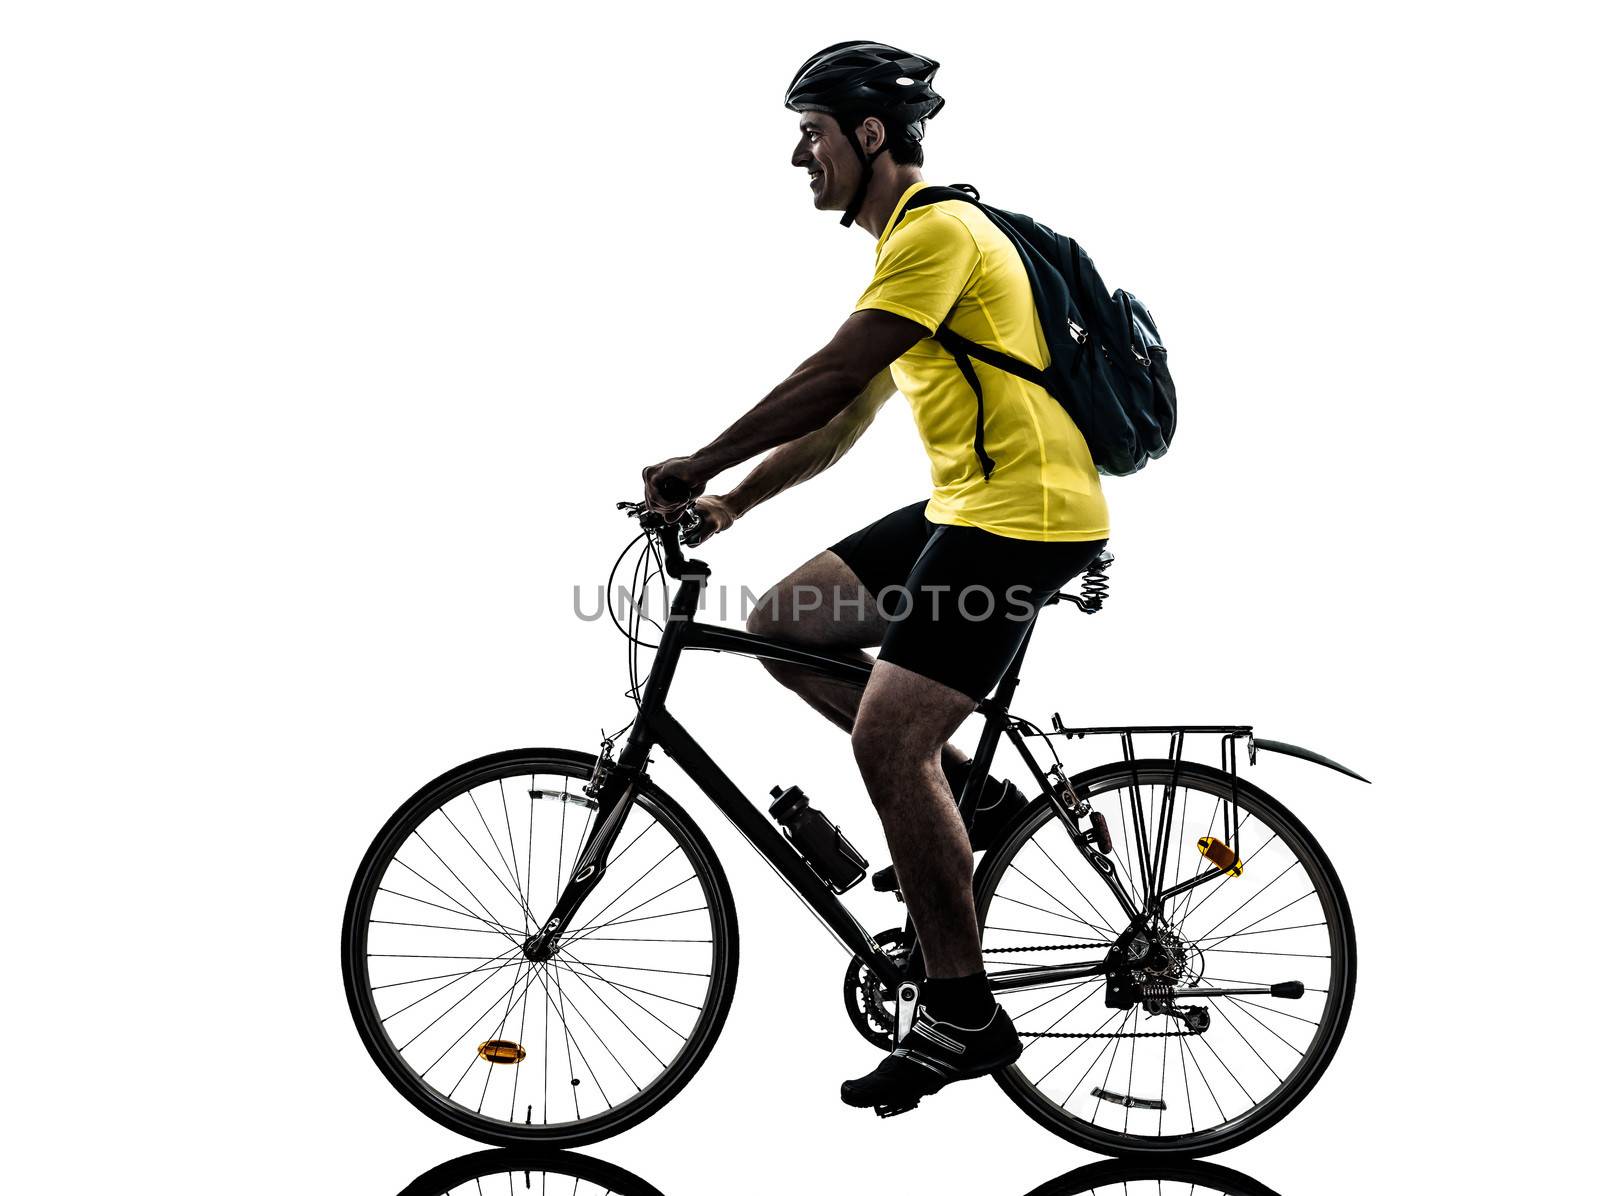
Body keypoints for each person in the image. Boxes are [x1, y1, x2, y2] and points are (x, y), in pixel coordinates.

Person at [641, 40, 1109, 1115]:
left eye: (810, 132)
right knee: (787, 623)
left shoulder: (936, 232)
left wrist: (696, 458)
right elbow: (850, 416)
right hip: (971, 505)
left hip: (1024, 513)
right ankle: (975, 798)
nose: (797, 155)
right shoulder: (909, 248)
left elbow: (832, 374)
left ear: (865, 134)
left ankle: (960, 1014)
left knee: (885, 739)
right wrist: (731, 503)